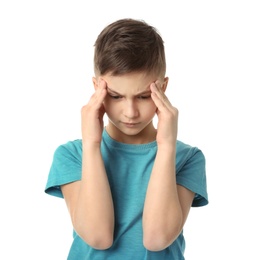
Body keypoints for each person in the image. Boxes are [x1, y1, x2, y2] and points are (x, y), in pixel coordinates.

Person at [45, 18, 208, 259]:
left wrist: (166, 146)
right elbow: (98, 236)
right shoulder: (72, 155)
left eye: (143, 97)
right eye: (116, 96)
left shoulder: (187, 158)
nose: (130, 112)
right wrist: (91, 144)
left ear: (163, 88)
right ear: (97, 88)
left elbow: (157, 238)